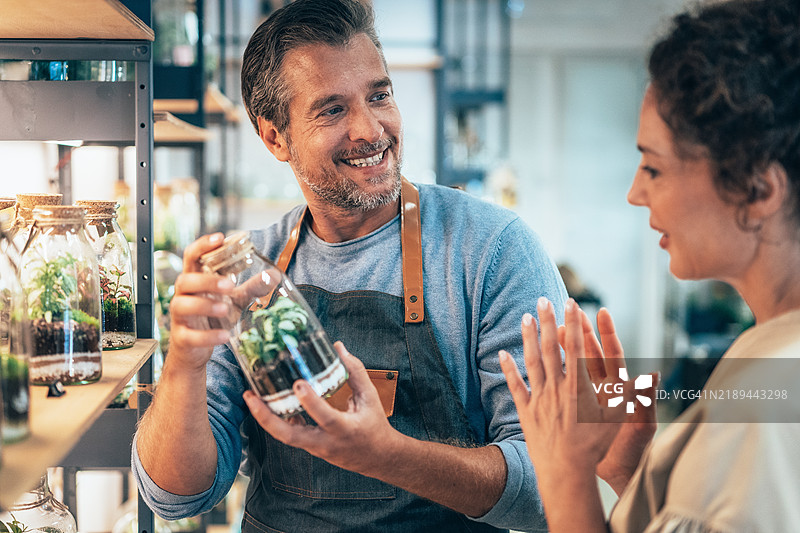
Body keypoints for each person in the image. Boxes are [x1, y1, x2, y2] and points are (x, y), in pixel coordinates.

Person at [131, 1, 566, 531]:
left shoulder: (491, 250)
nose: (370, 129)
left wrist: (386, 454)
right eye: (332, 109)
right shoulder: (247, 279)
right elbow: (177, 497)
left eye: (379, 96)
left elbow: (554, 484)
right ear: (274, 137)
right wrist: (184, 363)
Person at [500, 0, 800, 531]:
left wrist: (564, 469)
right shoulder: (768, 345)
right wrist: (635, 474)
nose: (636, 194)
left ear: (757, 190)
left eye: (654, 168)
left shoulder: (765, 400)